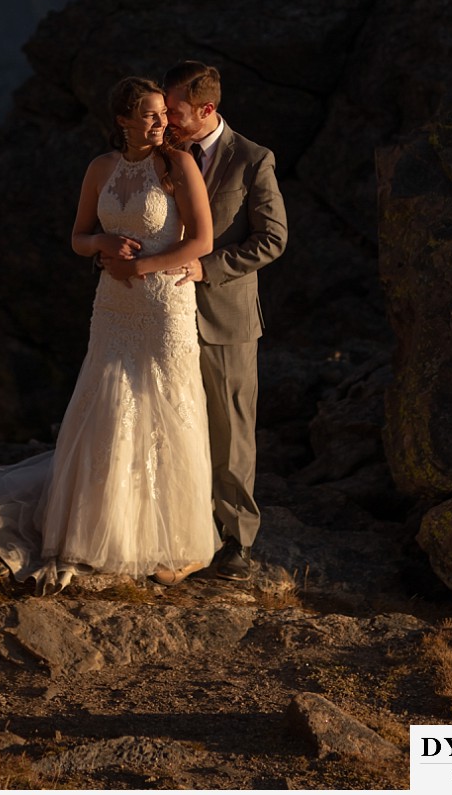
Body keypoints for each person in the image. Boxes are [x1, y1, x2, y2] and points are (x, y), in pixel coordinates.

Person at [0, 76, 219, 591]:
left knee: (167, 406)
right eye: (152, 115)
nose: (164, 123)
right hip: (112, 305)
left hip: (163, 306)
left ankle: (173, 542)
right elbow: (77, 237)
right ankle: (106, 530)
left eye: (164, 114)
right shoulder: (101, 168)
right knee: (110, 407)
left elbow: (202, 240)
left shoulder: (180, 165)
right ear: (124, 121)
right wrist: (103, 244)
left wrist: (145, 267)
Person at [162, 60, 288, 582]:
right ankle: (179, 529)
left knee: (231, 431)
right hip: (164, 315)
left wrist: (206, 268)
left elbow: (273, 239)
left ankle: (237, 543)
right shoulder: (161, 154)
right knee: (172, 425)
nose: (166, 120)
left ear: (207, 109)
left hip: (225, 319)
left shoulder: (253, 160)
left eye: (175, 111)